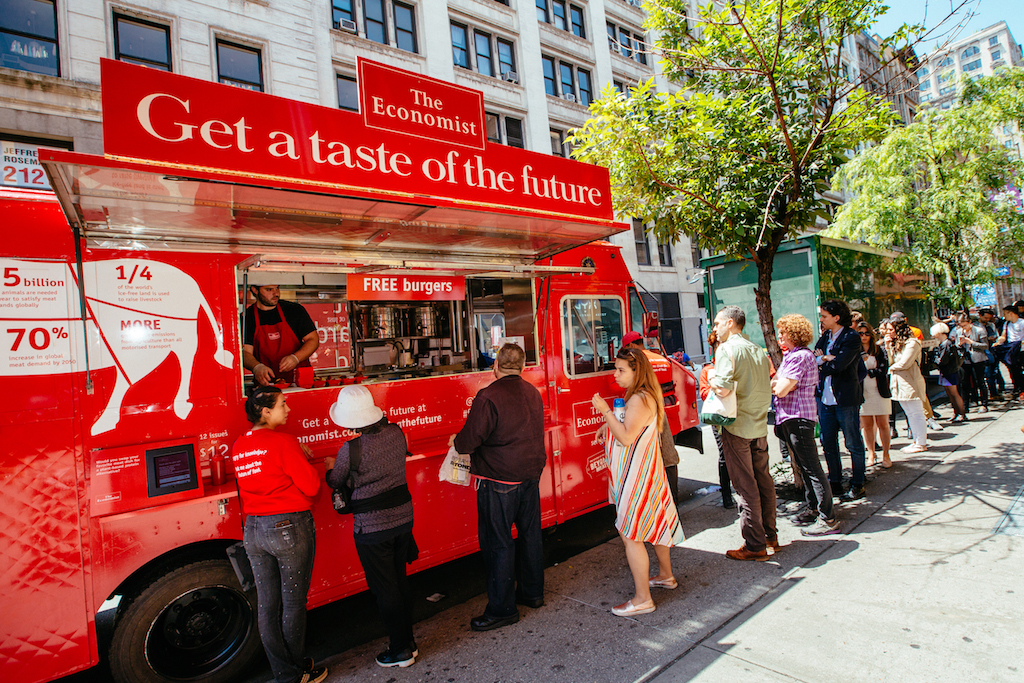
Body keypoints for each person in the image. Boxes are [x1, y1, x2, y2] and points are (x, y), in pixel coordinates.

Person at [231, 386, 327, 683]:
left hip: (254, 530)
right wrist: (304, 458)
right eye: (283, 404)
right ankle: (296, 672)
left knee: (267, 604)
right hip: (288, 527)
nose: (288, 409)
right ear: (266, 411)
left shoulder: (238, 445)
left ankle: (285, 673)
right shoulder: (284, 443)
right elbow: (312, 487)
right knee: (293, 602)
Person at [450, 343, 545, 632]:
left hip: (499, 481)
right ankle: (532, 593)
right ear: (524, 366)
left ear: (495, 366)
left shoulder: (488, 396)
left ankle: (502, 609)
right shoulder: (533, 392)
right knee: (530, 537)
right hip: (530, 476)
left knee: (498, 543)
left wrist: (456, 440)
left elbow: (467, 442)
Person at [325, 386, 417, 668]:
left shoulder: (351, 450)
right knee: (399, 582)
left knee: (384, 589)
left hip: (372, 528)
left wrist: (331, 467)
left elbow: (334, 480)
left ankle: (400, 650)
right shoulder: (397, 432)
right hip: (403, 518)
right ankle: (408, 642)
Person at [591, 347, 685, 616]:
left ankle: (643, 598)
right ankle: (666, 575)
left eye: (621, 370)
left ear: (637, 371)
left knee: (631, 535)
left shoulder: (638, 399)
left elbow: (626, 437)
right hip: (648, 474)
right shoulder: (644, 395)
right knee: (657, 524)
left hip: (637, 478)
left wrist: (605, 412)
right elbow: (632, 428)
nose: (615, 374)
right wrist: (608, 423)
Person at [709, 306, 775, 561]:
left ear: (729, 323)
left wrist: (713, 379)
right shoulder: (757, 349)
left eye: (717, 323)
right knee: (763, 481)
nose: (714, 328)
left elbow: (723, 389)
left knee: (746, 487)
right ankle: (770, 536)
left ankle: (755, 544)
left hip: (737, 425)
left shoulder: (726, 349)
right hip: (758, 424)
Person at [772, 314, 840, 536]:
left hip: (798, 417)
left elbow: (781, 388)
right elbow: (781, 385)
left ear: (793, 334)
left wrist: (779, 385)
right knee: (805, 465)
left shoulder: (799, 356)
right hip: (793, 416)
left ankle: (827, 517)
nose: (779, 335)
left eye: (783, 332)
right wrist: (780, 384)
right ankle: (813, 509)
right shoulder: (794, 356)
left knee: (812, 468)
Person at [814, 300, 868, 502]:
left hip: (845, 399)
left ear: (836, 317)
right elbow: (815, 358)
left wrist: (826, 360)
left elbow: (840, 365)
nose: (821, 319)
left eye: (825, 316)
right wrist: (826, 359)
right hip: (825, 399)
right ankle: (835, 481)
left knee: (853, 442)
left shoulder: (851, 336)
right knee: (828, 443)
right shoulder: (825, 336)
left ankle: (858, 484)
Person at [622, 331, 680, 505]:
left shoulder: (637, 361)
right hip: (664, 409)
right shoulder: (659, 358)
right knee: (668, 454)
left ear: (631, 345)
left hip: (646, 412)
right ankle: (673, 506)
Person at [243, 284, 320, 386]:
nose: (276, 293)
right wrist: (256, 367)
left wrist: (295, 358)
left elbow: (313, 339)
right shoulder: (247, 318)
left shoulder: (294, 310)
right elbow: (245, 352)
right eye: (269, 289)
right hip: (268, 386)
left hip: (301, 382)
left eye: (277, 288)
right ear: (255, 290)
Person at [699, 330, 735, 509]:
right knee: (724, 454)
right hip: (719, 417)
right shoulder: (708, 370)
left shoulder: (735, 365)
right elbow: (704, 393)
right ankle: (727, 495)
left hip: (737, 414)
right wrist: (717, 388)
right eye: (717, 346)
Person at [891, 311, 943, 431]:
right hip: (900, 376)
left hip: (912, 370)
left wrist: (892, 367)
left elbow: (910, 356)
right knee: (908, 406)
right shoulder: (891, 336)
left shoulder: (914, 333)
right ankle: (911, 425)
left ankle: (929, 418)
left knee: (919, 398)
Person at [887, 317, 929, 454]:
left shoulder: (912, 343)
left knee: (917, 413)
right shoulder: (897, 344)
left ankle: (921, 442)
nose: (888, 332)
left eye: (890, 329)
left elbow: (905, 363)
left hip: (910, 382)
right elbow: (891, 361)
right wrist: (888, 347)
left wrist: (891, 369)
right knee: (909, 413)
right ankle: (916, 441)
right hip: (899, 383)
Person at [858, 321, 892, 468]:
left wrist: (868, 371)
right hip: (863, 392)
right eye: (860, 333)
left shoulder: (879, 350)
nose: (864, 336)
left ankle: (886, 454)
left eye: (867, 333)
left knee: (883, 423)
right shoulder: (855, 352)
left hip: (879, 391)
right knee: (867, 425)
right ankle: (871, 453)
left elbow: (883, 369)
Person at [951, 313, 989, 414]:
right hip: (965, 360)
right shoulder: (959, 331)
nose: (963, 328)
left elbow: (985, 346)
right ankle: (965, 405)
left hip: (978, 359)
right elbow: (956, 346)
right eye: (961, 326)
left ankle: (984, 404)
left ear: (970, 323)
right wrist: (959, 345)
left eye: (965, 325)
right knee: (964, 383)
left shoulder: (979, 330)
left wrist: (971, 342)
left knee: (980, 381)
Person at [930, 323, 967, 422]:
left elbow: (942, 360)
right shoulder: (945, 343)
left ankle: (961, 413)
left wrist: (935, 358)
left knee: (954, 393)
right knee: (951, 393)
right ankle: (957, 412)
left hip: (949, 372)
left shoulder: (946, 344)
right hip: (947, 372)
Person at [994, 304, 1024, 400]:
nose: (1004, 316)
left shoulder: (1022, 323)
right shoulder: (1007, 324)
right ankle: (1018, 388)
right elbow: (1004, 336)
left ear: (1011, 313)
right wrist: (999, 342)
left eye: (1005, 313)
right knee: (1014, 370)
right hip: (1011, 350)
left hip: (1022, 350)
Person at [978, 309, 1005, 398]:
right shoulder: (977, 327)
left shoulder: (991, 325)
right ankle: (992, 393)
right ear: (980, 316)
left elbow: (997, 336)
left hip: (992, 350)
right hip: (983, 352)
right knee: (988, 373)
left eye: (989, 318)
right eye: (985, 318)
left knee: (994, 372)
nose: (987, 320)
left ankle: (996, 391)